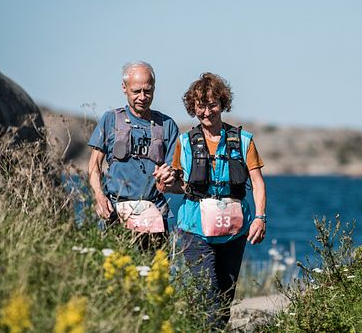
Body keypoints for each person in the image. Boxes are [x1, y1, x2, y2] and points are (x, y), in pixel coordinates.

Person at [155, 72, 267, 328]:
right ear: (193, 108)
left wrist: (260, 217)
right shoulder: (184, 143)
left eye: (212, 105)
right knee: (206, 295)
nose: (207, 112)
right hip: (195, 232)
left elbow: (258, 183)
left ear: (223, 104)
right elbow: (179, 187)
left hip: (234, 232)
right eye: (200, 106)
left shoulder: (244, 141)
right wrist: (163, 183)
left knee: (224, 298)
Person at [87, 61, 179, 246]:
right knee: (115, 270)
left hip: (154, 212)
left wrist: (169, 176)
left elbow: (175, 172)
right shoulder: (110, 119)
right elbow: (94, 166)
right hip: (116, 212)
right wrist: (99, 196)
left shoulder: (167, 125)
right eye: (136, 91)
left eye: (148, 91)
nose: (142, 97)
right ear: (124, 88)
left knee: (155, 272)